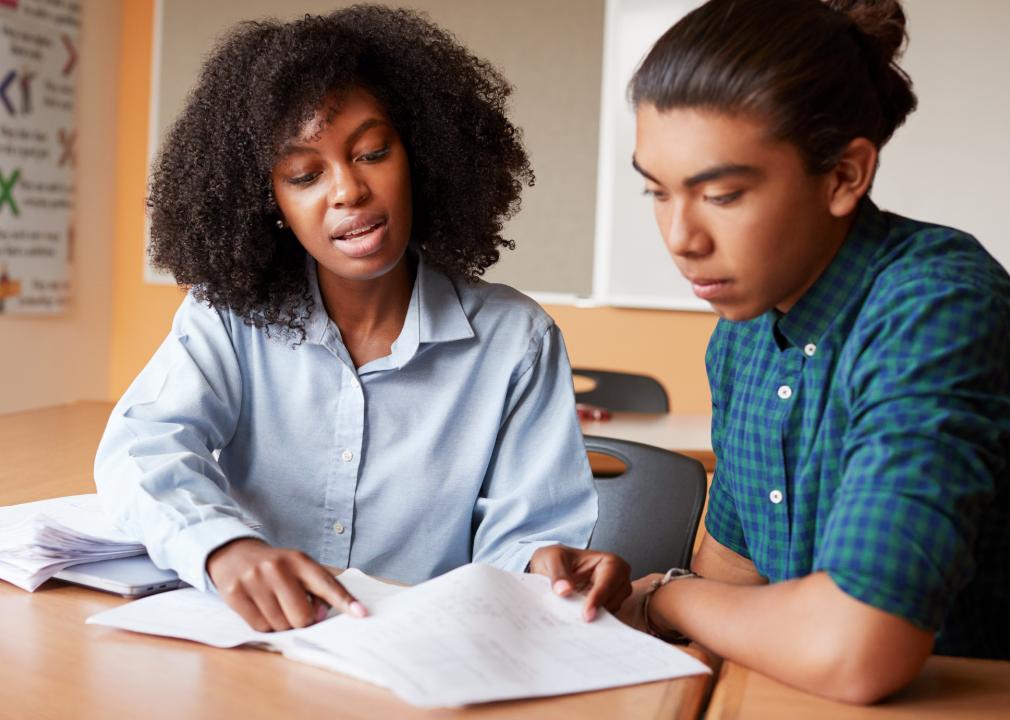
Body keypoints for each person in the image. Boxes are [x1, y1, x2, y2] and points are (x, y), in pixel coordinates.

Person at [95, 6, 630, 634]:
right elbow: (143, 446)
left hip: (421, 660)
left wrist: (545, 565)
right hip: (253, 648)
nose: (347, 190)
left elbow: (523, 542)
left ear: (422, 158)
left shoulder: (516, 341)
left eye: (372, 152)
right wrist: (221, 547)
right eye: (304, 174)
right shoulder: (229, 317)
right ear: (270, 202)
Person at [618, 0, 1010, 704]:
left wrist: (664, 598)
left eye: (723, 194)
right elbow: (731, 579)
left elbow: (857, 648)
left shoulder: (936, 306)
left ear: (844, 176)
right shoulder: (741, 332)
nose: (680, 237)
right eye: (656, 191)